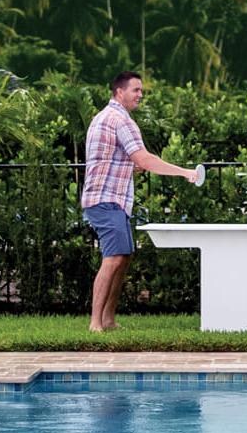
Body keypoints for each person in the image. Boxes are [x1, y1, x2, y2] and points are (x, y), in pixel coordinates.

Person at [81, 71, 201, 332]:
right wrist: (185, 172)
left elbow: (111, 159)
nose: (140, 95)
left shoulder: (102, 117)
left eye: (141, 90)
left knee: (122, 257)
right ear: (119, 92)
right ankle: (95, 324)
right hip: (106, 199)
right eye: (135, 90)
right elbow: (144, 159)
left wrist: (130, 167)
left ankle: (109, 320)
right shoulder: (120, 120)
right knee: (113, 258)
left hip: (108, 198)